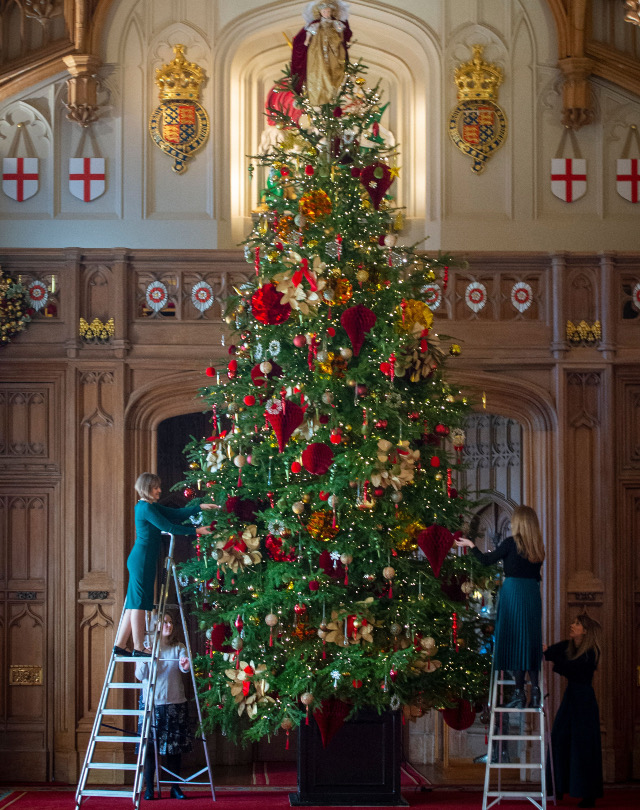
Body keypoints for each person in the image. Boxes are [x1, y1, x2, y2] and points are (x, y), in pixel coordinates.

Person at [114, 472, 213, 657]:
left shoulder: (149, 506)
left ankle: (120, 644)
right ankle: (138, 647)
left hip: (142, 559)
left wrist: (199, 507)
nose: (159, 490)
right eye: (155, 487)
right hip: (142, 560)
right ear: (146, 488)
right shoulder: (145, 508)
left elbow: (175, 513)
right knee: (139, 604)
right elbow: (169, 527)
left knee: (134, 603)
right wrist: (196, 531)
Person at [455, 505, 544, 708]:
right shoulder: (538, 546)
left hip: (513, 593)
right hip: (532, 594)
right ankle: (535, 691)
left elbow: (486, 561)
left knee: (515, 641)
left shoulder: (511, 543)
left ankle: (519, 693)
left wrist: (471, 545)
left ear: (518, 522)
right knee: (530, 641)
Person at [544, 614, 603, 808]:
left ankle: (588, 794)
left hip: (584, 701)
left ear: (585, 631)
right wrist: (547, 651)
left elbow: (571, 669)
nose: (572, 625)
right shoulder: (568, 646)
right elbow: (550, 653)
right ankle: (558, 787)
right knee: (559, 738)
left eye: (577, 624)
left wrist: (555, 657)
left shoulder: (591, 652)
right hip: (571, 698)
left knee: (584, 745)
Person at [136, 612, 192, 800]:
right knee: (149, 750)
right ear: (156, 625)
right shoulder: (147, 647)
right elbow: (140, 675)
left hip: (174, 703)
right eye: (165, 622)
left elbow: (185, 667)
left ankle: (175, 787)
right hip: (151, 704)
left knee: (174, 750)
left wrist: (185, 664)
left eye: (171, 622)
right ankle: (149, 789)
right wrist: (146, 656)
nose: (169, 625)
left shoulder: (178, 647)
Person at [291, 1, 352, 107]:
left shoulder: (335, 23)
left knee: (335, 65)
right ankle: (320, 93)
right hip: (318, 46)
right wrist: (307, 41)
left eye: (328, 11)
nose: (326, 13)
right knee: (317, 66)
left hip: (333, 46)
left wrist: (343, 41)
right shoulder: (316, 24)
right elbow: (310, 32)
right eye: (324, 11)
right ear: (320, 12)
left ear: (331, 12)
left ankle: (333, 90)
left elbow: (341, 33)